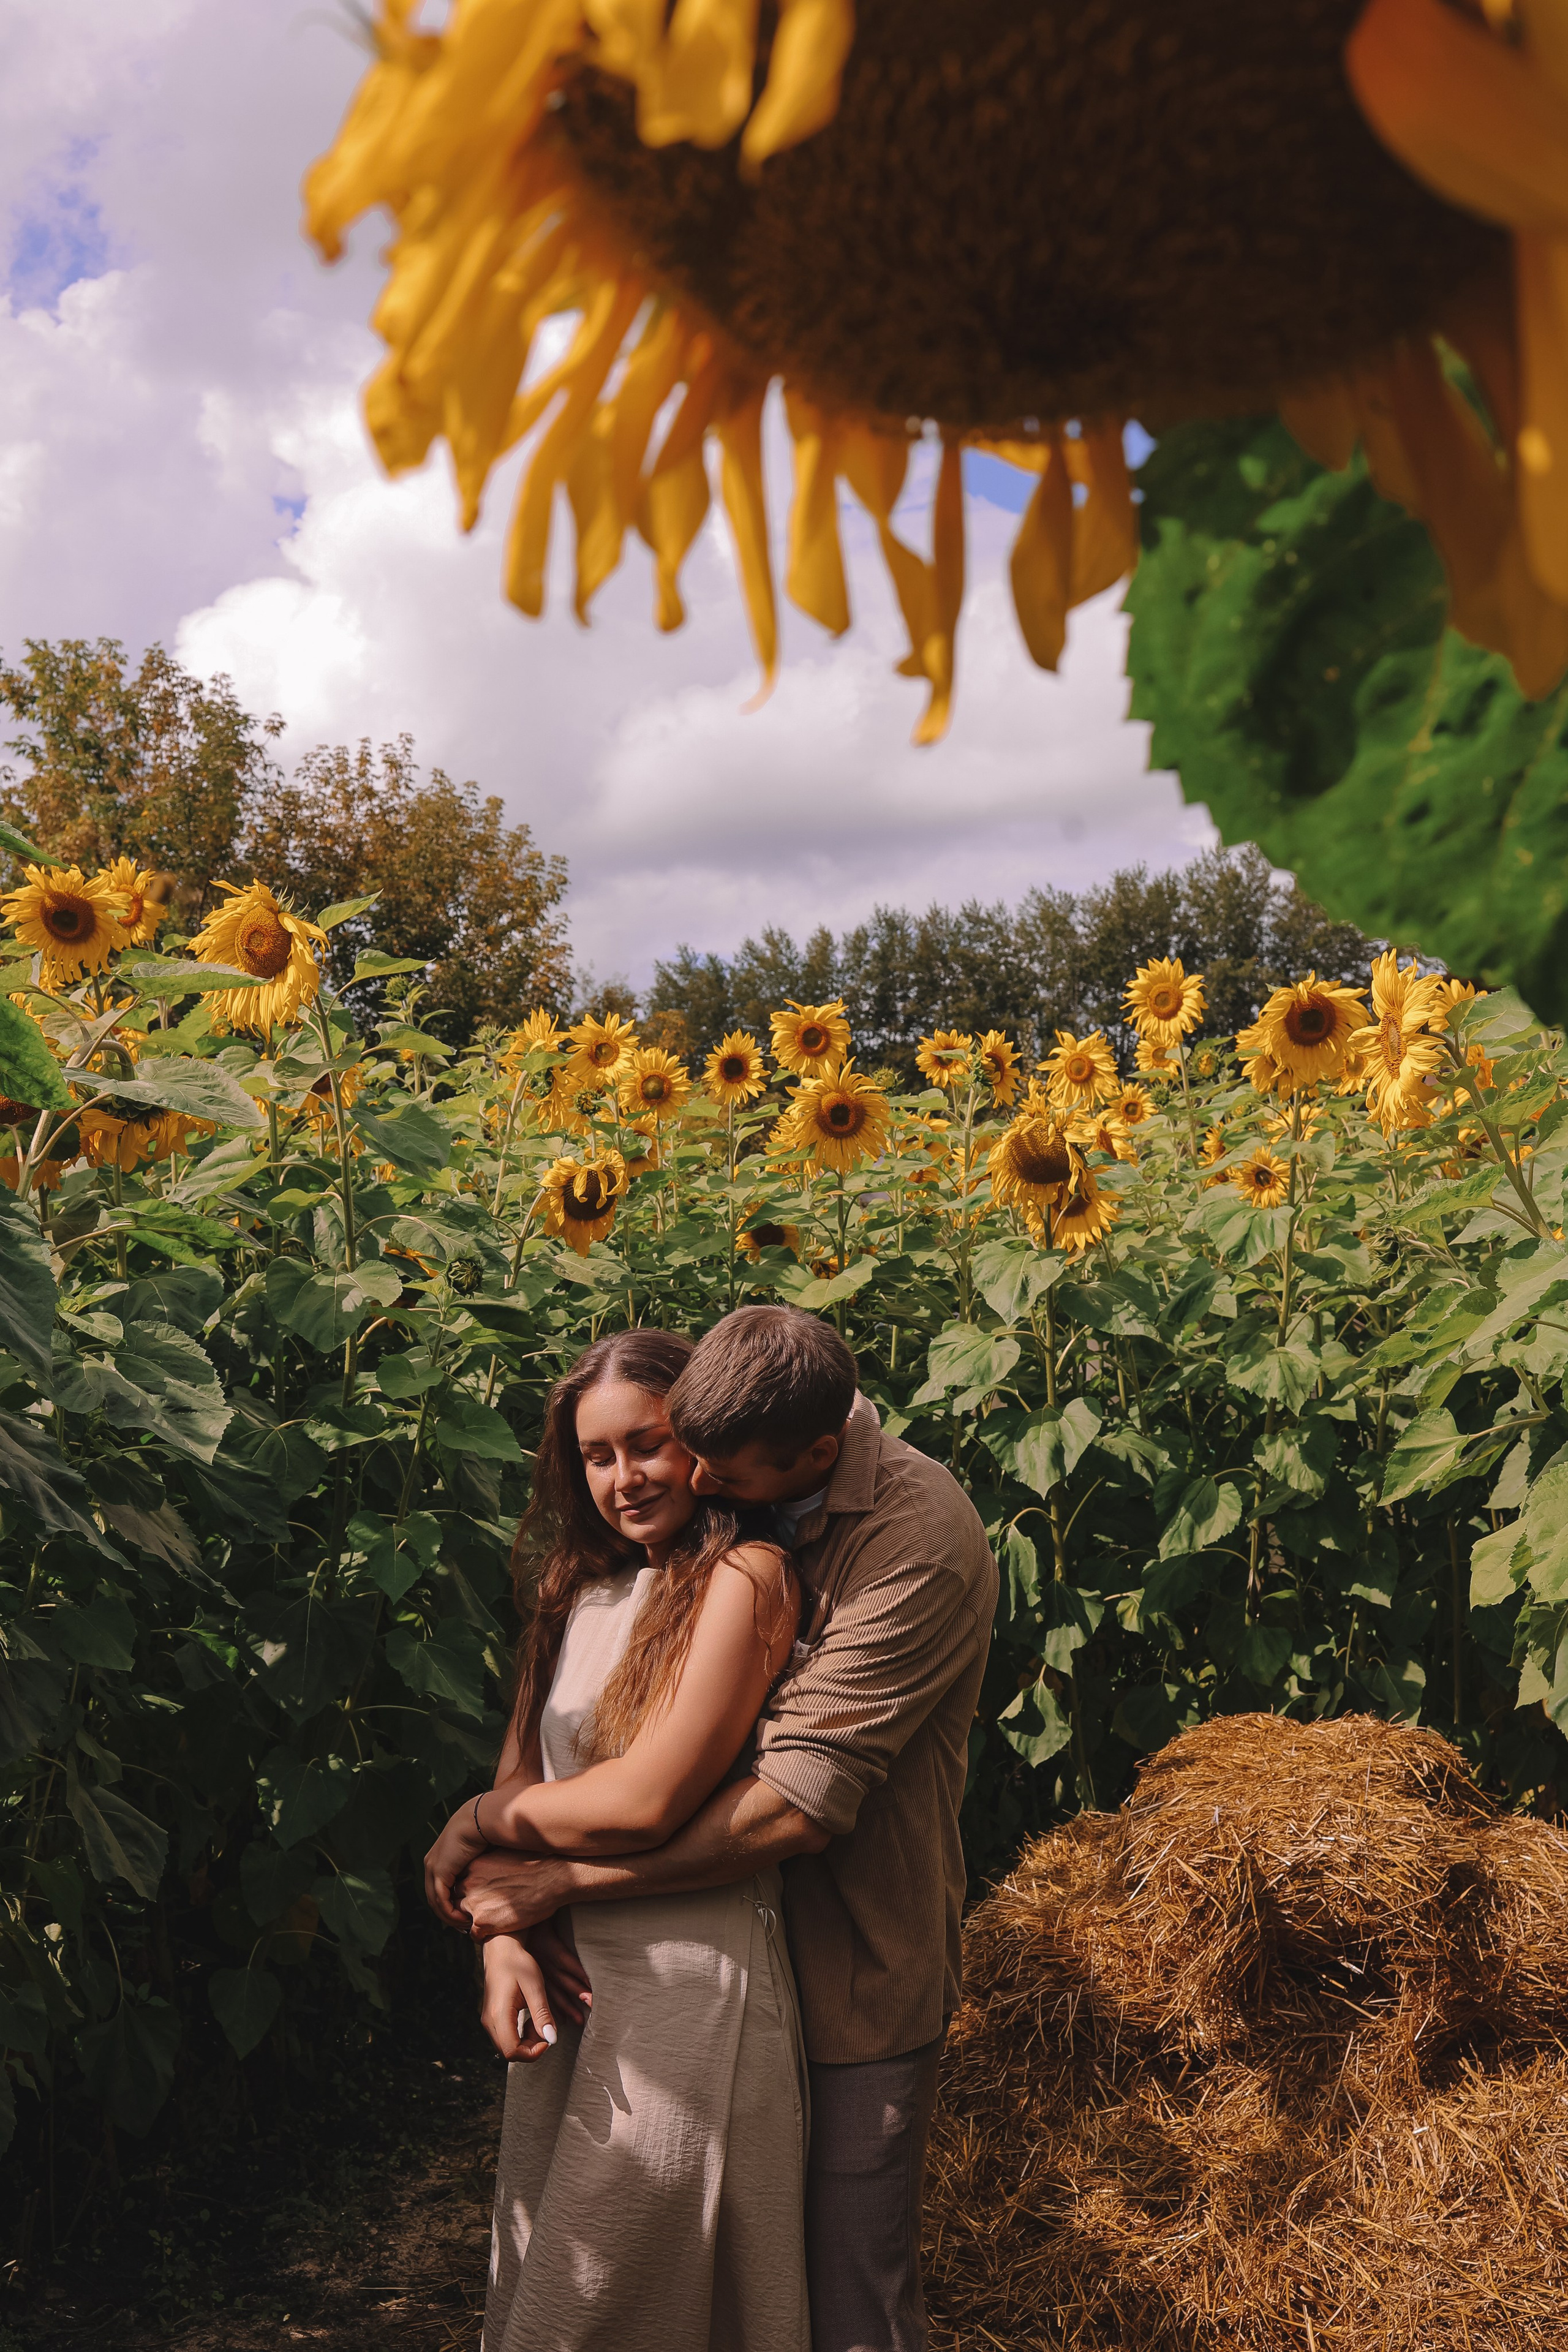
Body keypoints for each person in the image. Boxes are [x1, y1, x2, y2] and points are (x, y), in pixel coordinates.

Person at [459, 1305, 1000, 2352]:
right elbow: (543, 1769)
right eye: (604, 1455)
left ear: (814, 1455)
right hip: (641, 1963)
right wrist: (508, 1926)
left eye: (679, 1455)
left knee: (842, 2300)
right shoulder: (638, 1547)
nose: (682, 1481)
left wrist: (541, 1875)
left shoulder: (909, 1538)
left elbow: (792, 1804)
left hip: (843, 1959)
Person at [423, 1327, 810, 2352]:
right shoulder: (576, 1592)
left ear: (704, 1444)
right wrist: (502, 1938)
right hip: (566, 1962)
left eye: (648, 1444)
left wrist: (471, 1822)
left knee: (619, 2297)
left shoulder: (749, 1576)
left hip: (689, 1978)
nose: (624, 1478)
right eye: (597, 1455)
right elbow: (528, 1784)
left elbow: (648, 1800)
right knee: (562, 2263)